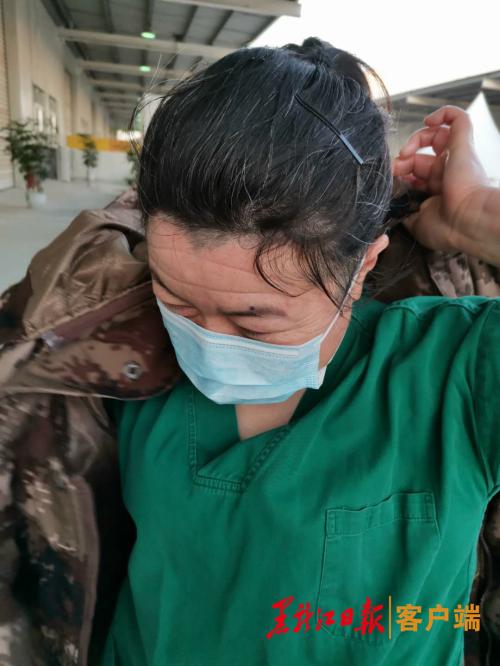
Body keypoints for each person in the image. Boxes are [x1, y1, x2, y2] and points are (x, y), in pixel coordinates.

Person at [92, 37, 500, 666]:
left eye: (255, 322)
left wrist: (477, 213)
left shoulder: (458, 373)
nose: (209, 342)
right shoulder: (124, 353)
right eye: (179, 302)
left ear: (361, 269)